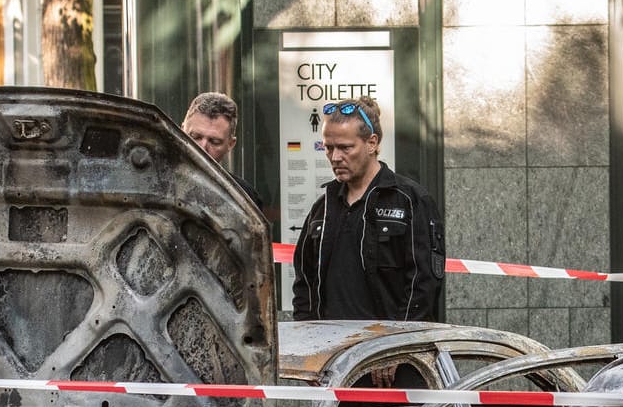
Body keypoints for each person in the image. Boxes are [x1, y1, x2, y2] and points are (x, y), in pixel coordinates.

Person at [292, 97, 445, 322]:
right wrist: (306, 335)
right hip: (329, 347)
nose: (335, 157)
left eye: (345, 147)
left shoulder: (410, 200)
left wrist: (396, 343)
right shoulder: (322, 208)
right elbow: (304, 282)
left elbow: (423, 287)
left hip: (386, 347)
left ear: (371, 143)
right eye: (329, 147)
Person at [180, 92, 266, 211]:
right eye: (195, 136)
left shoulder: (245, 198)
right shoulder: (151, 179)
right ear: (180, 132)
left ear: (230, 144)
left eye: (214, 141)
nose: (202, 147)